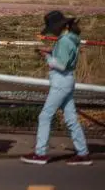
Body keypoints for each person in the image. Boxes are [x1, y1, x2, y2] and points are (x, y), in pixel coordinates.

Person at [20, 11, 91, 166]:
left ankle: (40, 153)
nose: (52, 31)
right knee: (71, 118)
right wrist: (51, 52)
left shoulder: (64, 41)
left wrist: (47, 57)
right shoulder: (71, 39)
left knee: (45, 116)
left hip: (60, 81)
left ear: (60, 26)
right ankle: (82, 152)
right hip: (67, 80)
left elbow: (61, 64)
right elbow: (66, 58)